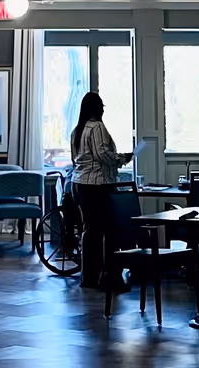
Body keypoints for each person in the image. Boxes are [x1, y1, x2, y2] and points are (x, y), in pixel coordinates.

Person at [68, 91, 131, 288]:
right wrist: (121, 159)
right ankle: (110, 276)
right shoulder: (97, 127)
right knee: (110, 230)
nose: (104, 108)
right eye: (101, 105)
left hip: (78, 183)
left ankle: (88, 276)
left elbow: (76, 158)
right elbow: (102, 154)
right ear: (96, 108)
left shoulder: (77, 130)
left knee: (89, 230)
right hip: (96, 184)